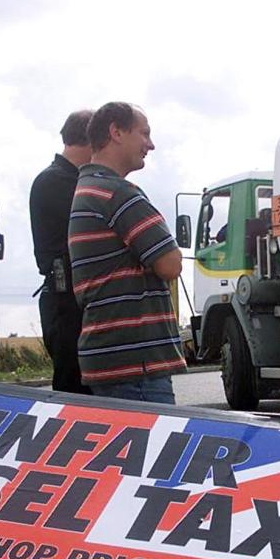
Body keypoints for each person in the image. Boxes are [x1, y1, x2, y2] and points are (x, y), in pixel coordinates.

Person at [68, 102, 186, 403]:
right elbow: (170, 264)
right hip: (136, 365)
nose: (151, 144)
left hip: (112, 359)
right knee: (156, 449)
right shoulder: (116, 193)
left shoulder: (88, 189)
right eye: (144, 133)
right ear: (116, 132)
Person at [30, 110, 93, 395]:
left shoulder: (72, 179)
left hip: (73, 301)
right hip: (66, 301)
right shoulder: (56, 182)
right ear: (92, 137)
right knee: (75, 392)